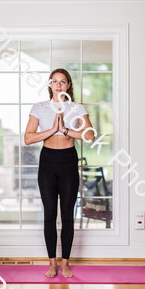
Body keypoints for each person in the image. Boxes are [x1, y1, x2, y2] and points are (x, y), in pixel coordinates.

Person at [24, 68, 95, 278]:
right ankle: (52, 264)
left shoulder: (77, 108)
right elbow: (28, 138)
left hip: (68, 162)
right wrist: (53, 129)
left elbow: (90, 135)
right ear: (49, 85)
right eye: (54, 81)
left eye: (62, 81)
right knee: (49, 215)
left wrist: (65, 130)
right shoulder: (39, 107)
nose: (58, 85)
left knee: (67, 215)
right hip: (47, 162)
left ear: (68, 85)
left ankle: (65, 264)